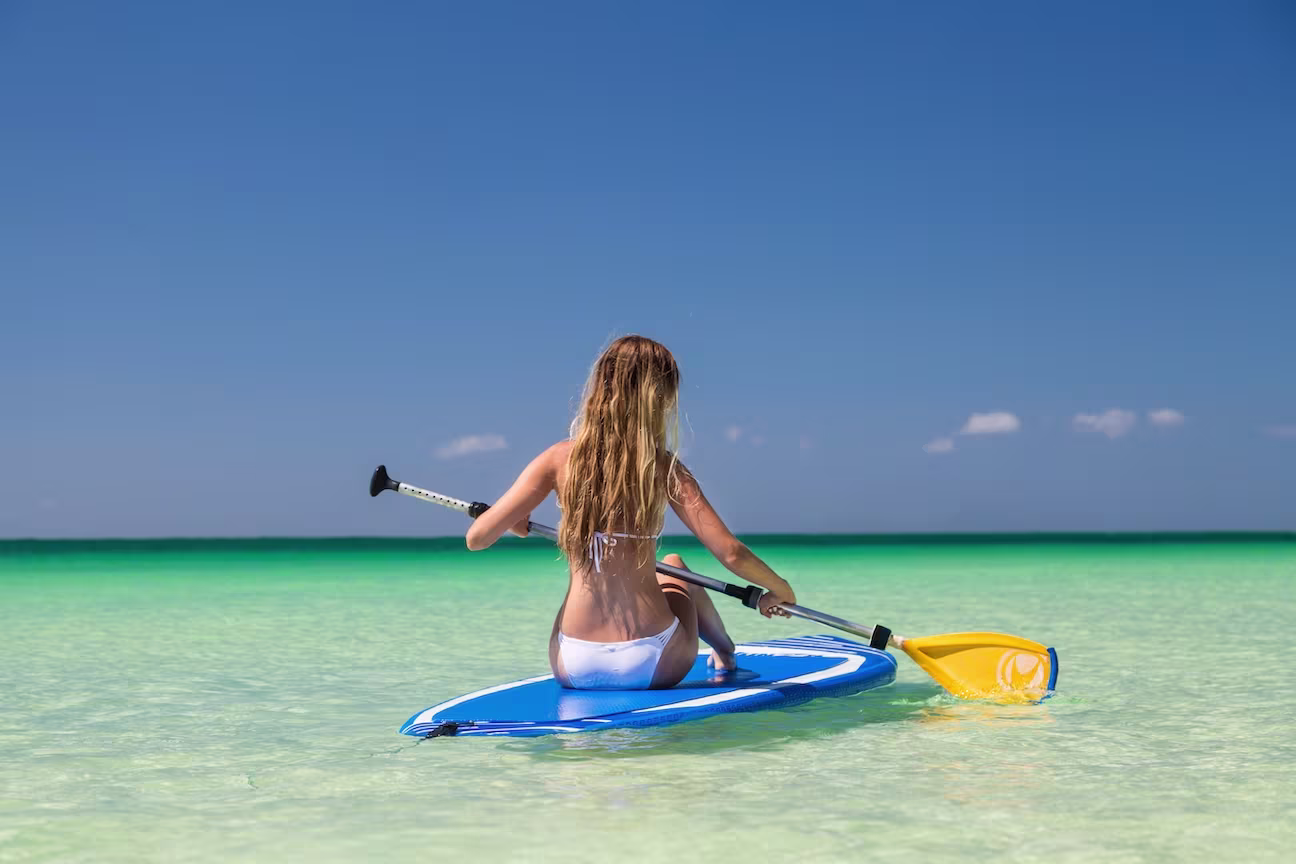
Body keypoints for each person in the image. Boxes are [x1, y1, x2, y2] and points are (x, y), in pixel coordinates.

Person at [465, 335, 796, 689]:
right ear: (659, 398)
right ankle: (726, 652)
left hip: (572, 662)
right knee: (676, 566)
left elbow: (478, 538)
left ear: (600, 387)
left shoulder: (557, 459)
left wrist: (517, 525)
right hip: (653, 659)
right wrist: (781, 589)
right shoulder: (664, 467)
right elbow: (730, 552)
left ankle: (721, 651)